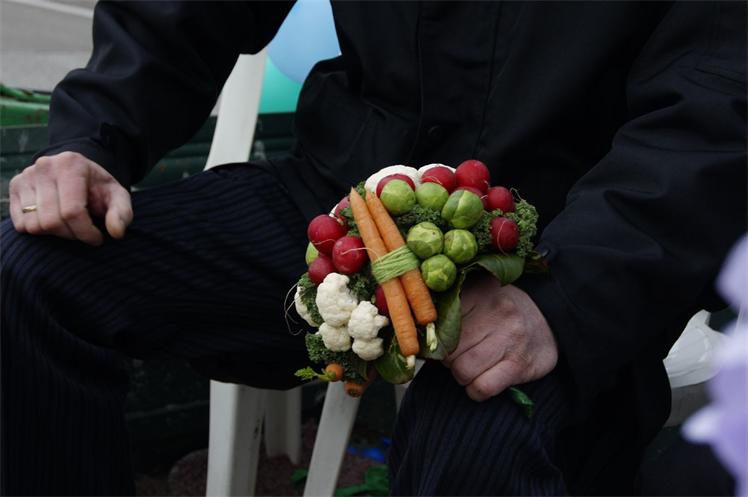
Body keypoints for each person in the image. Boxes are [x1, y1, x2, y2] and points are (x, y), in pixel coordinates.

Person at [2, 1, 745, 495]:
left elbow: (715, 106)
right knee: (35, 270)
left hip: (558, 247)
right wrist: (93, 136)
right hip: (345, 202)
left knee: (476, 450)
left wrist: (570, 298)